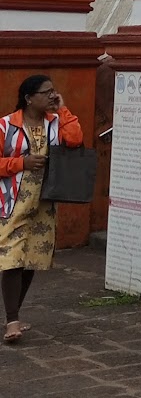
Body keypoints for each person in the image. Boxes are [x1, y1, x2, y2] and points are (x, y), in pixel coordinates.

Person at [1, 76, 85, 344]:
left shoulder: (55, 123)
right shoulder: (5, 126)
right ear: (28, 98)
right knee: (12, 257)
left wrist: (63, 109)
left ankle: (14, 314)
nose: (51, 95)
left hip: (44, 201)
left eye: (53, 91)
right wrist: (20, 163)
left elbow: (75, 141)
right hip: (12, 200)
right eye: (45, 92)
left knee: (32, 258)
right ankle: (12, 320)